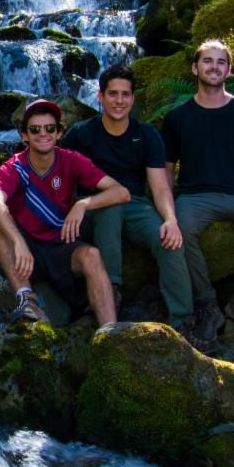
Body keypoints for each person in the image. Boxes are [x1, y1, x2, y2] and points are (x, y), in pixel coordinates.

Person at [61, 63, 195, 334]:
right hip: (94, 207)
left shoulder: (146, 135)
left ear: (133, 99)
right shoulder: (81, 134)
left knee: (168, 240)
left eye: (125, 95)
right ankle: (110, 291)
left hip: (135, 204)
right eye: (112, 94)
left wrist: (170, 220)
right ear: (100, 97)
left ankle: (184, 320)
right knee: (109, 208)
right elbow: (60, 177)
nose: (119, 101)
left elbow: (159, 188)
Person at [162, 39, 234, 348]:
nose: (214, 66)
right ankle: (208, 304)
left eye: (220, 62)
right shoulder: (177, 118)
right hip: (194, 196)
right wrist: (167, 208)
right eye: (207, 61)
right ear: (195, 68)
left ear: (229, 70)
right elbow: (167, 168)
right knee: (179, 231)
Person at [0, 98, 127, 326]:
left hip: (61, 245)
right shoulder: (13, 168)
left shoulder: (71, 160)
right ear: (24, 136)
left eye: (50, 128)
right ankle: (26, 297)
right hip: (27, 254)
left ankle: (110, 335)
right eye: (35, 129)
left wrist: (82, 204)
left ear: (59, 132)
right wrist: (18, 242)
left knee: (91, 256)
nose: (44, 134)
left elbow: (121, 193)